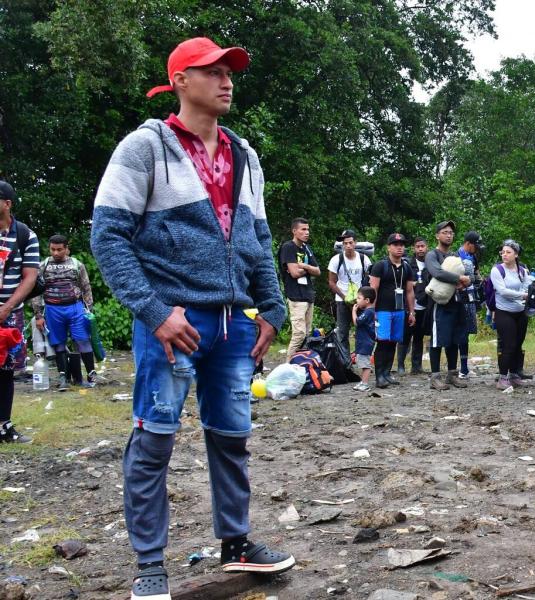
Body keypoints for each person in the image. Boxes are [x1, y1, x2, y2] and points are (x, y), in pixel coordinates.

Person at [91, 37, 294, 599]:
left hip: (232, 325)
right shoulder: (145, 147)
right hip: (173, 322)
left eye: (230, 72)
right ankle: (150, 567)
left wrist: (273, 308)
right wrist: (154, 312)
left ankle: (236, 545)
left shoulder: (243, 154)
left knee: (232, 437)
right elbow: (108, 237)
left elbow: (257, 235)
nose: (227, 80)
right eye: (213, 71)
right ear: (180, 79)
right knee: (154, 440)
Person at [0, 180, 39, 444]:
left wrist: (6, 308)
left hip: (9, 315)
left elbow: (30, 277)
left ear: (7, 204)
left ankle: (4, 426)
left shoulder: (25, 235)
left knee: (5, 371)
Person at [32, 235, 97, 390]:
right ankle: (63, 378)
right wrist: (38, 316)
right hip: (53, 309)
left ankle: (91, 374)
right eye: (52, 249)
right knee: (58, 343)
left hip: (75, 308)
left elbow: (86, 288)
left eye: (59, 249)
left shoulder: (77, 265)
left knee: (83, 341)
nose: (55, 253)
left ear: (67, 249)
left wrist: (89, 310)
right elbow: (35, 293)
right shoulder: (43, 265)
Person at [425, 220, 472, 391]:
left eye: (451, 232)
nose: (448, 235)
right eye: (445, 232)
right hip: (439, 303)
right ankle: (435, 377)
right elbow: (436, 272)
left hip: (457, 302)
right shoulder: (432, 255)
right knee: (438, 340)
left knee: (455, 339)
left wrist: (467, 281)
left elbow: (469, 275)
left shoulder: (454, 256)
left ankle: (452, 374)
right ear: (437, 235)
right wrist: (459, 279)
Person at [369, 234, 417, 389]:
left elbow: (409, 291)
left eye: (402, 244)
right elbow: (373, 289)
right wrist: (372, 311)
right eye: (395, 244)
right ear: (389, 247)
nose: (399, 247)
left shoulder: (407, 267)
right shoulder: (380, 266)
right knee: (382, 341)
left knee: (393, 342)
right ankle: (379, 376)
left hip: (399, 310)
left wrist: (411, 312)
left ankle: (387, 373)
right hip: (382, 310)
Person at [491, 240, 533, 389]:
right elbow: (502, 291)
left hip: (520, 312)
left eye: (508, 252)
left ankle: (514, 374)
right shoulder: (497, 270)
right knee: (508, 344)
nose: (504, 255)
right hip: (504, 311)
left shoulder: (522, 270)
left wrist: (527, 294)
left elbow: (528, 286)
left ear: (516, 254)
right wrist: (522, 296)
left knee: (518, 344)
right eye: (503, 252)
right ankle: (502, 377)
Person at [279, 218, 319, 358]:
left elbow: (318, 271)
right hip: (296, 296)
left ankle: (300, 365)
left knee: (307, 334)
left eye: (307, 229)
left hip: (308, 295)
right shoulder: (288, 247)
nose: (307, 232)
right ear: (294, 231)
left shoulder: (306, 248)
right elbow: (294, 273)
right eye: (303, 229)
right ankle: (288, 367)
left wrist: (304, 266)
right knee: (299, 334)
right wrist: (306, 269)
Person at [327, 229, 370, 351]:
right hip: (342, 299)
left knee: (363, 330)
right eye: (345, 243)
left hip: (361, 300)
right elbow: (331, 282)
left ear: (355, 243)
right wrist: (344, 297)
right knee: (342, 331)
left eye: (351, 243)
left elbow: (370, 278)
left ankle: (361, 358)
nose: (348, 246)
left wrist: (365, 298)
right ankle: (345, 362)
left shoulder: (364, 259)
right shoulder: (336, 259)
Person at [398, 237, 429, 374]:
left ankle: (416, 366)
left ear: (427, 247)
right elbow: (403, 283)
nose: (420, 249)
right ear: (414, 249)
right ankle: (400, 365)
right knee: (405, 336)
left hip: (424, 304)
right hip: (409, 305)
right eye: (418, 246)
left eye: (423, 246)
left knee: (419, 336)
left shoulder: (431, 263)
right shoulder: (407, 264)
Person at [456, 231, 484, 378]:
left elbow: (476, 274)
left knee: (467, 333)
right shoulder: (456, 256)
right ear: (468, 243)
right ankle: (459, 368)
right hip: (460, 297)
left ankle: (464, 367)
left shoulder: (473, 256)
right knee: (460, 333)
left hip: (471, 296)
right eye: (476, 246)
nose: (477, 249)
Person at [351, 287, 377, 392]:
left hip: (365, 342)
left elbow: (357, 322)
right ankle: (363, 382)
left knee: (365, 364)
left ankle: (365, 384)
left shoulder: (368, 312)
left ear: (367, 300)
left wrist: (354, 311)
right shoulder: (369, 312)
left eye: (359, 298)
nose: (357, 300)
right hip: (363, 341)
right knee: (361, 362)